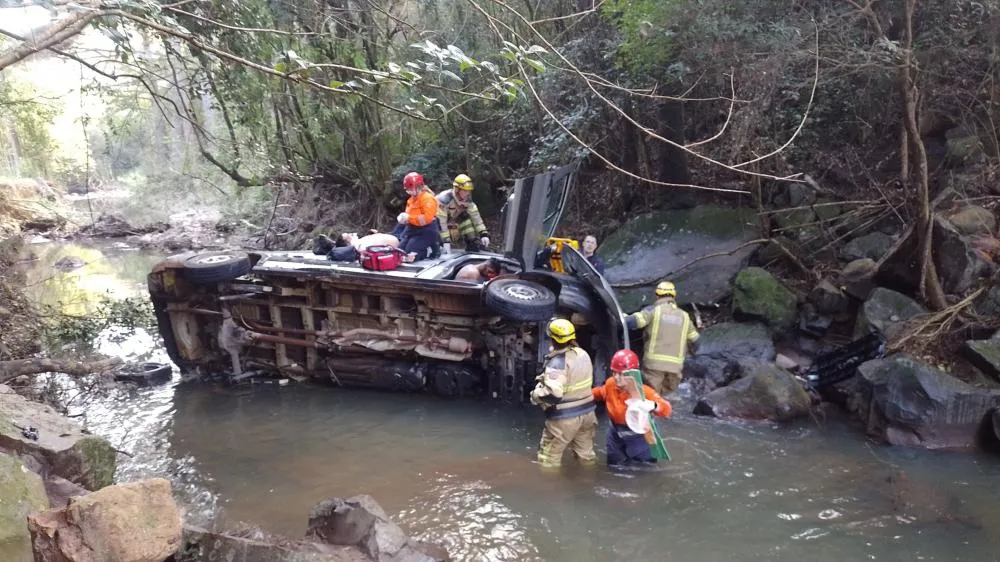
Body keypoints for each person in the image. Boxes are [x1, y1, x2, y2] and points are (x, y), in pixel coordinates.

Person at [529, 318, 597, 470]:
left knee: (549, 458)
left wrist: (536, 395)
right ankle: (589, 481)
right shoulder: (582, 354)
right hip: (588, 414)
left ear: (552, 338)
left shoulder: (557, 363)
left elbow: (555, 394)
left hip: (565, 418)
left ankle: (550, 489)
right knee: (586, 455)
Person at [592, 349, 672, 467]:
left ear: (632, 374)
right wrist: (579, 396)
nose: (617, 377)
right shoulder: (610, 384)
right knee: (613, 467)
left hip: (640, 438)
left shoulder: (645, 392)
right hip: (616, 435)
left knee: (644, 470)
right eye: (614, 372)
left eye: (622, 374)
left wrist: (653, 406)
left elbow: (667, 410)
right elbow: (598, 393)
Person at [625, 280, 699, 395]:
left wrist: (623, 317)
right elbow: (695, 341)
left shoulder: (654, 311)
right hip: (675, 368)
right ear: (674, 296)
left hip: (654, 365)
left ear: (657, 296)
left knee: (650, 397)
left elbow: (634, 322)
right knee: (665, 400)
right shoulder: (685, 316)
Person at [436, 173, 490, 252]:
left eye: (468, 191)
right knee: (436, 225)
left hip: (450, 222)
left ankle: (472, 244)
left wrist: (483, 233)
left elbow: (476, 217)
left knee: (466, 221)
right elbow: (441, 222)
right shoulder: (445, 199)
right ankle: (438, 246)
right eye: (465, 191)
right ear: (457, 189)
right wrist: (446, 241)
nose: (467, 193)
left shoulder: (467, 200)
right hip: (436, 226)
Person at [396, 172, 441, 261]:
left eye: (411, 188)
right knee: (399, 252)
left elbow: (426, 219)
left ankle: (430, 248)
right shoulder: (411, 200)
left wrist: (409, 218)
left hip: (427, 231)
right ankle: (424, 247)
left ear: (418, 186)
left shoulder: (427, 199)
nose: (409, 191)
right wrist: (403, 219)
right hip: (412, 230)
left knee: (410, 254)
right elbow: (410, 215)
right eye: (407, 189)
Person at [313, 231, 400, 262]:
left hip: (395, 241)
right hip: (396, 244)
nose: (353, 233)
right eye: (349, 235)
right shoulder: (359, 246)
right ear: (347, 242)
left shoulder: (359, 242)